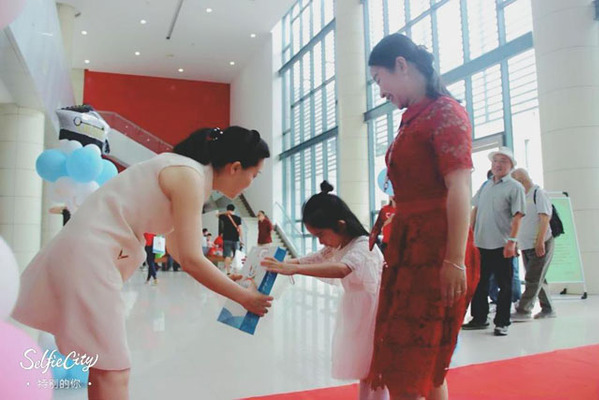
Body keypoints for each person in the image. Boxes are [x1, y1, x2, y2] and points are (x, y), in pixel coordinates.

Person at [11, 126, 273, 400]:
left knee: (106, 366)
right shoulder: (190, 177)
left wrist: (227, 283)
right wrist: (244, 297)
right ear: (235, 167)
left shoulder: (187, 173)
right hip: (91, 257)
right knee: (113, 370)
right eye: (254, 175)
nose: (251, 183)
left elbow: (180, 250)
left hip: (87, 254)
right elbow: (191, 260)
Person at [366, 33, 480, 400]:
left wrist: (454, 260)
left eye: (379, 79)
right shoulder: (414, 117)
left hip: (435, 250)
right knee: (422, 367)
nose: (381, 92)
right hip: (410, 247)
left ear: (401, 65)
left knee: (412, 364)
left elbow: (459, 186)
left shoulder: (445, 112)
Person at [262, 181, 388, 400]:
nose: (320, 241)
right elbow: (312, 259)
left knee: (376, 371)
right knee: (366, 370)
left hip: (374, 313)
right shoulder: (339, 244)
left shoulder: (362, 244)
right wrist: (281, 265)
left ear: (340, 225)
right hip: (359, 312)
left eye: (320, 234)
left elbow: (342, 269)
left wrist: (293, 268)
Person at [463, 147, 526, 336]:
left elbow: (518, 216)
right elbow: (475, 209)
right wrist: (470, 233)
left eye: (503, 161)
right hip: (481, 243)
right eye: (495, 161)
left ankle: (502, 322)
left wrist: (512, 241)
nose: (498, 164)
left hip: (502, 244)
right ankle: (479, 318)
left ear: (511, 166)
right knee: (479, 282)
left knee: (504, 285)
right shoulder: (486, 185)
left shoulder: (515, 187)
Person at [510, 168, 557, 320]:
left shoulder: (538, 193)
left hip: (541, 243)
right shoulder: (521, 197)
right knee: (538, 278)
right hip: (526, 245)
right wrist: (516, 243)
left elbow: (545, 218)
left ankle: (524, 310)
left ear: (521, 180)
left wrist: (540, 241)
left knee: (532, 278)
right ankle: (548, 309)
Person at [218, 204, 243, 275]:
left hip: (226, 239)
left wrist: (225, 213)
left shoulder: (224, 217)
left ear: (227, 209)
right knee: (236, 255)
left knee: (227, 255)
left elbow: (217, 215)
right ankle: (236, 271)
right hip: (235, 239)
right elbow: (240, 229)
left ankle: (228, 271)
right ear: (234, 209)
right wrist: (241, 239)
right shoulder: (238, 218)